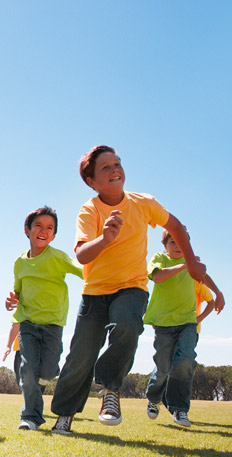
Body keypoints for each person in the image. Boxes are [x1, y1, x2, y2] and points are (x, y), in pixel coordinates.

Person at [50, 145, 206, 435]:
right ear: (91, 181)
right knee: (81, 354)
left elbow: (177, 226)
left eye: (117, 163)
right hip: (96, 291)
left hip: (132, 286)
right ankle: (64, 416)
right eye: (105, 167)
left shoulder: (143, 203)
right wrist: (106, 237)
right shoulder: (90, 210)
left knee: (128, 324)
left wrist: (192, 260)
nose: (114, 170)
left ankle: (110, 389)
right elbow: (83, 254)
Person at [5, 207, 83, 430]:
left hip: (53, 325)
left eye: (49, 228)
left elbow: (83, 270)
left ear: (54, 235)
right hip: (28, 323)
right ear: (27, 230)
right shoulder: (19, 263)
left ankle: (40, 386)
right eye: (38, 225)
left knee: (47, 373)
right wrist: (11, 301)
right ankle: (30, 417)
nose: (43, 231)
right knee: (28, 371)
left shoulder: (58, 257)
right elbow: (17, 292)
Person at [144, 230, 224, 427]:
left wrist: (218, 293)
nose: (178, 246)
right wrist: (184, 266)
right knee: (163, 367)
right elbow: (157, 277)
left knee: (185, 361)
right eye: (173, 242)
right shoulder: (160, 258)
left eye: (182, 242)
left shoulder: (191, 264)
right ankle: (154, 398)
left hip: (187, 322)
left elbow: (203, 276)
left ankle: (179, 409)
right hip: (163, 323)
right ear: (165, 245)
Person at [2, 322, 21, 386]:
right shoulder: (21, 311)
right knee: (19, 376)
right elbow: (16, 325)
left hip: (40, 347)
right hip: (21, 348)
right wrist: (8, 346)